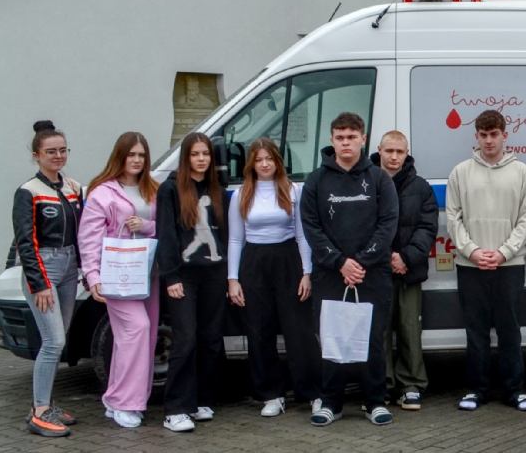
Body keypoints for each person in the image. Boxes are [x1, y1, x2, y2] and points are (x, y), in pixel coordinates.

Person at [300, 112, 399, 427]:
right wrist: (340, 262)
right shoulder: (316, 181)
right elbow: (311, 227)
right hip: (330, 273)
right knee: (333, 339)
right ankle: (332, 403)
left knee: (372, 338)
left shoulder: (379, 179)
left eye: (352, 137)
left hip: (373, 274)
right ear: (332, 140)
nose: (346, 143)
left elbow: (388, 225)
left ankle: (375, 402)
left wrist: (362, 262)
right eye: (340, 137)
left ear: (363, 139)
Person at [446, 110, 526, 412]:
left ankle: (514, 390)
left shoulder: (522, 173)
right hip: (470, 266)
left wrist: (504, 252)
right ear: (476, 136)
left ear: (504, 135)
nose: (488, 140)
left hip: (509, 265)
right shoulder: (460, 172)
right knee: (476, 331)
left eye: (494, 134)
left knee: (510, 330)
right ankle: (476, 389)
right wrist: (472, 251)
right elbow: (453, 218)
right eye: (483, 135)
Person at [227, 138, 320, 417]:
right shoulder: (241, 194)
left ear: (278, 162)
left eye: (269, 159)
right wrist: (233, 279)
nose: (265, 164)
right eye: (259, 160)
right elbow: (235, 240)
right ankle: (271, 394)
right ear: (251, 164)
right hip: (254, 264)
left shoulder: (293, 190)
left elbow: (302, 234)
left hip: (288, 260)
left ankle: (313, 392)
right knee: (259, 330)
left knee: (299, 330)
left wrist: (307, 272)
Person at [78, 132, 161, 429]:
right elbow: (88, 238)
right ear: (120, 156)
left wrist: (147, 225)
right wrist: (92, 276)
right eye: (131, 155)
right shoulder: (103, 193)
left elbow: (165, 226)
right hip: (117, 274)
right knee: (137, 329)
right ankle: (126, 402)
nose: (137, 160)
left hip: (148, 273)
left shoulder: (153, 188)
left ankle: (116, 400)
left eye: (141, 155)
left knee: (141, 337)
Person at [156, 133, 230, 433]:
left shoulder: (217, 190)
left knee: (210, 339)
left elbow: (225, 234)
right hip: (183, 277)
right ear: (186, 158)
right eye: (195, 154)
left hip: (214, 274)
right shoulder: (170, 189)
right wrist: (171, 276)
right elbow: (166, 235)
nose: (201, 159)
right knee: (185, 340)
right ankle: (175, 409)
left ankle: (201, 401)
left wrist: (229, 275)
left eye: (206, 154)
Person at [13, 121, 83, 437]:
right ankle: (40, 411)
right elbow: (25, 242)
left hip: (69, 268)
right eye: (51, 151)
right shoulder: (28, 191)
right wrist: (39, 283)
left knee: (58, 340)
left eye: (62, 150)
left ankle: (47, 404)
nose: (58, 156)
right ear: (37, 155)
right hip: (44, 269)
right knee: (53, 341)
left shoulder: (73, 187)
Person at [371, 131, 438, 411]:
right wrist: (384, 256)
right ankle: (381, 385)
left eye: (400, 152)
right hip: (376, 270)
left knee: (410, 329)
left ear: (407, 153)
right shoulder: (366, 182)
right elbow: (361, 225)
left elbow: (427, 227)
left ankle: (411, 385)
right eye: (389, 151)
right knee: (379, 331)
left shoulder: (420, 187)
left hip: (409, 270)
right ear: (379, 150)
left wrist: (406, 257)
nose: (394, 157)